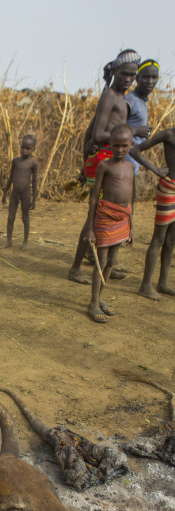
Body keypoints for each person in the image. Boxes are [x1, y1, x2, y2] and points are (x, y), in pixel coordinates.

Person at [68, 49, 140, 284]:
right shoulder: (110, 95)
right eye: (124, 73)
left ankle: (103, 262)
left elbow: (91, 130)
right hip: (103, 159)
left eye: (132, 74)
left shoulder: (117, 97)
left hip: (107, 157)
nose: (128, 78)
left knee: (103, 215)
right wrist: (132, 133)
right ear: (115, 72)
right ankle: (76, 268)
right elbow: (98, 134)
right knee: (97, 214)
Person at [86, 124, 134, 323]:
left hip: (123, 218)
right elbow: (94, 197)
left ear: (131, 145)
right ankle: (93, 303)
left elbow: (132, 199)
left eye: (124, 146)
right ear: (110, 145)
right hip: (105, 217)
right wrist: (90, 228)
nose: (120, 149)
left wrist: (132, 226)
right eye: (116, 145)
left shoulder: (131, 167)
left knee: (112, 262)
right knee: (102, 262)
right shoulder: (104, 166)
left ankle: (100, 299)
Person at [131, 128, 175, 300]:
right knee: (159, 238)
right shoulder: (169, 134)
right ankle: (145, 285)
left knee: (171, 240)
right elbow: (135, 150)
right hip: (169, 190)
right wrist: (155, 169)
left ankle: (162, 283)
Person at [125, 59, 160, 203]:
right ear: (137, 78)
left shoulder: (142, 100)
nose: (150, 81)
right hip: (124, 163)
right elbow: (113, 128)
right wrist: (134, 131)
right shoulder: (130, 100)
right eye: (146, 77)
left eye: (154, 77)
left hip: (133, 164)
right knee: (127, 204)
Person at [2, 134, 38, 250]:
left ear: (33, 149)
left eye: (28, 148)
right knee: (11, 217)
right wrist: (4, 193)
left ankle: (26, 241)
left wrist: (34, 199)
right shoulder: (15, 161)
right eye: (23, 147)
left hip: (25, 193)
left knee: (25, 217)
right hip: (14, 193)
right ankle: (9, 240)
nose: (24, 150)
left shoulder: (33, 164)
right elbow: (11, 177)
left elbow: (35, 182)